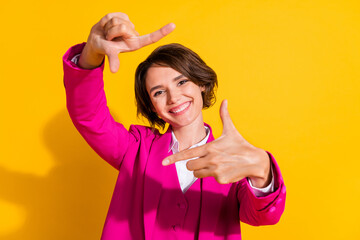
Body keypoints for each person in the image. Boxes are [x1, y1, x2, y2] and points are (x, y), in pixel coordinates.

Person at [63, 12, 286, 240]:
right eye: (159, 92)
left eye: (181, 82)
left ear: (200, 83)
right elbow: (88, 116)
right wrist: (91, 53)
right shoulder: (135, 148)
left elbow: (263, 216)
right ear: (151, 105)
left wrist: (262, 169)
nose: (174, 97)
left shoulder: (230, 159)